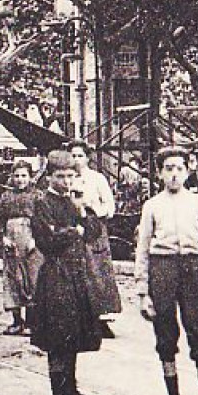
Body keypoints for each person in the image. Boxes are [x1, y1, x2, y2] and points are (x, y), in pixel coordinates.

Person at [135, 146, 198, 395]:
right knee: (165, 334)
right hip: (162, 269)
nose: (174, 174)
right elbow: (142, 250)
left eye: (179, 168)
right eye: (168, 168)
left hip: (193, 268)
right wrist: (143, 291)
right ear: (160, 172)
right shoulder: (152, 206)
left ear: (189, 171)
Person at [29, 149, 105, 395]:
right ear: (49, 177)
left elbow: (94, 232)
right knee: (58, 338)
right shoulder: (42, 204)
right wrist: (76, 231)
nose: (66, 182)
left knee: (74, 335)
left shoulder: (75, 202)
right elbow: (47, 240)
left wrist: (82, 210)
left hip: (76, 274)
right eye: (60, 176)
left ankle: (71, 390)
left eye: (71, 176)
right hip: (56, 276)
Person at [68, 141, 122, 333]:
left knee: (97, 270)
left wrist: (93, 212)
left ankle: (101, 318)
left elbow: (110, 206)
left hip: (95, 228)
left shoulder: (97, 179)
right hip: (73, 228)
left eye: (80, 156)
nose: (76, 160)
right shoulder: (67, 178)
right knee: (76, 270)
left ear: (87, 158)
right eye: (73, 156)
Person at [0, 159, 43, 336]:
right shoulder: (6, 197)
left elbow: (42, 220)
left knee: (32, 279)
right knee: (13, 279)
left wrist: (36, 239)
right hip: (12, 241)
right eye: (16, 176)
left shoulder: (37, 196)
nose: (20, 180)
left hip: (31, 240)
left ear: (30, 177)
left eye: (24, 176)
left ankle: (32, 322)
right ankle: (17, 321)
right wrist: (3, 238)